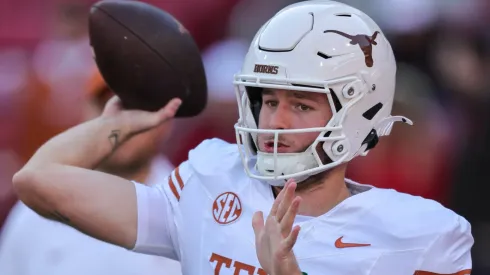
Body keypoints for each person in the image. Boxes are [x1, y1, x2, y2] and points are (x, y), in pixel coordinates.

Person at [12, 1, 473, 275]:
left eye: (301, 104)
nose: (275, 121)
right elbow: (38, 179)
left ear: (360, 109)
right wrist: (121, 124)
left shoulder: (420, 236)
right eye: (268, 101)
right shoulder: (212, 180)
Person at [0, 69, 181, 275]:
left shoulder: (192, 208)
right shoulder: (35, 211)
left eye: (135, 108)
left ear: (166, 119)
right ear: (85, 113)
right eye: (107, 105)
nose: (121, 124)